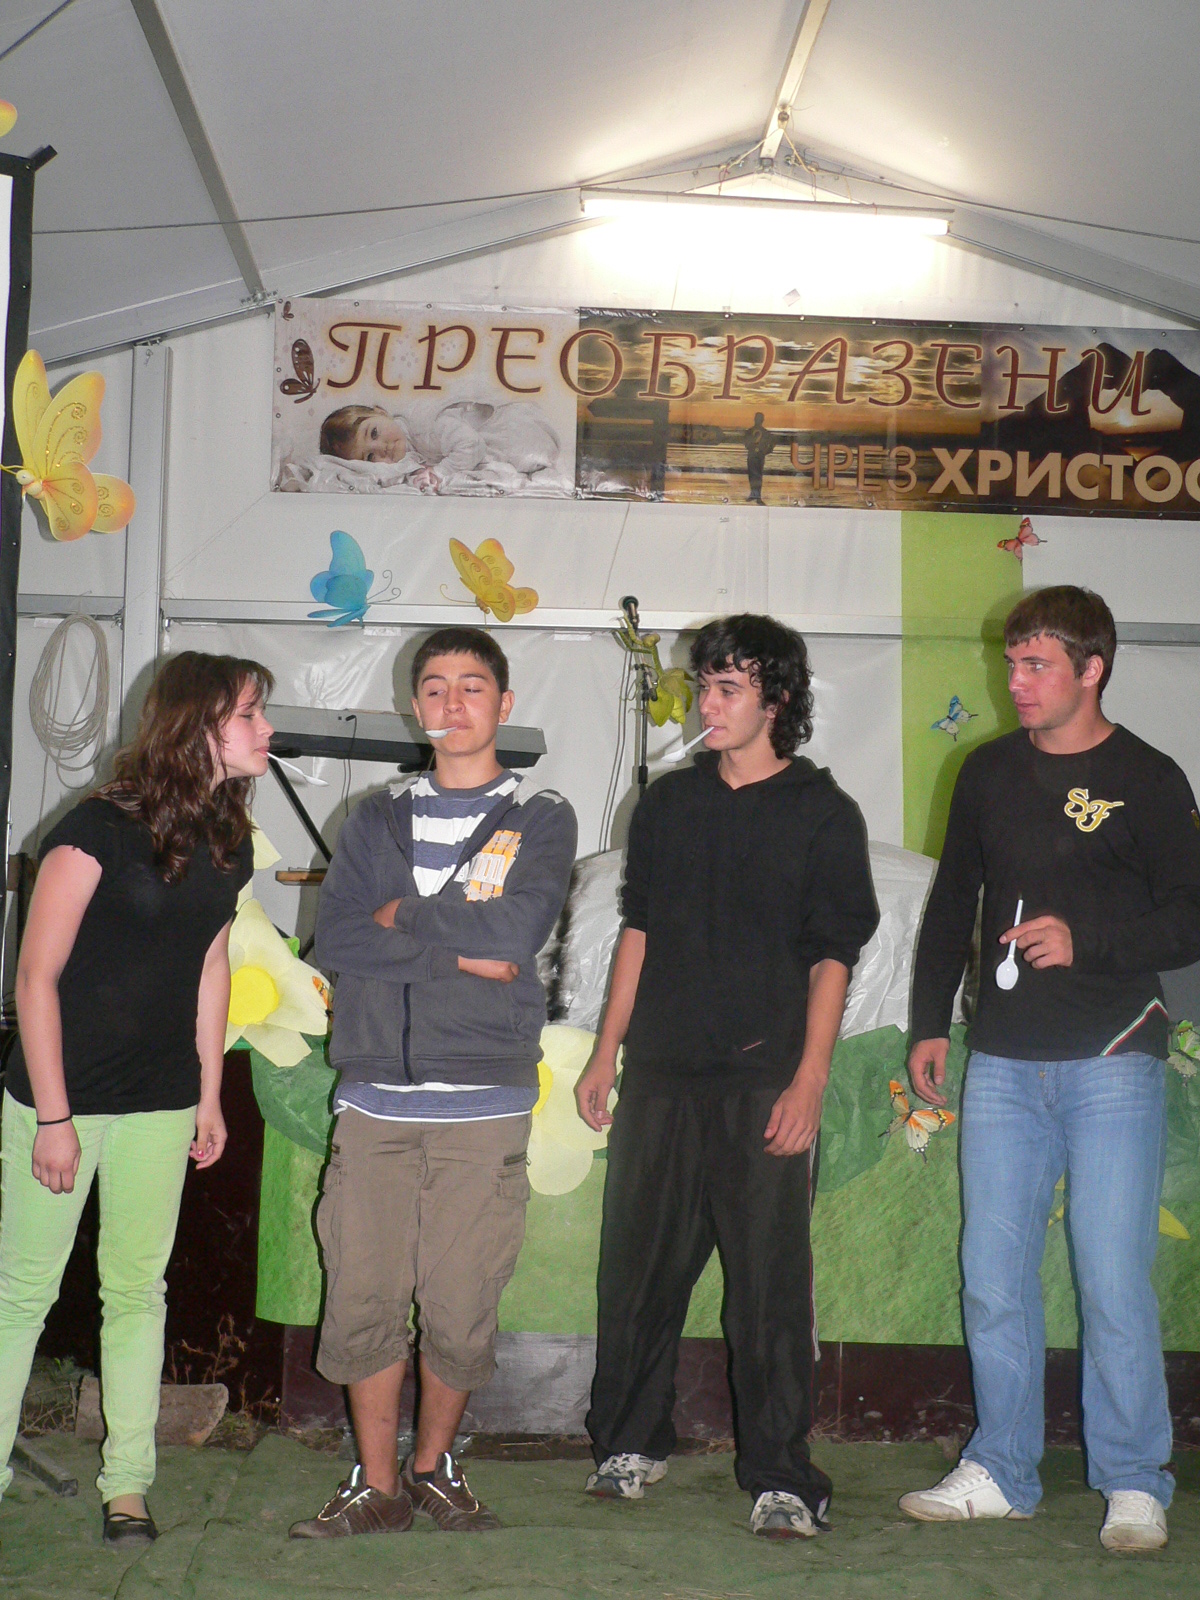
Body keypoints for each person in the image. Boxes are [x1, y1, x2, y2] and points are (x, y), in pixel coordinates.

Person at [901, 585, 1200, 1553]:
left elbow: (1191, 917)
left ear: (1092, 669)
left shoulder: (1150, 777)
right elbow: (951, 903)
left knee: (1112, 1280)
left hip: (1113, 1056)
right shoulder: (985, 770)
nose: (1016, 682)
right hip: (1001, 1061)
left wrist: (1088, 942)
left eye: (1037, 665)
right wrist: (928, 1023)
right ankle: (1002, 1468)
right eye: (1012, 663)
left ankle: (1134, 1480)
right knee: (992, 1277)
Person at [574, 613, 878, 1541]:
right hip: (661, 1075)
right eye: (704, 685)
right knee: (636, 1274)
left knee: (768, 1290)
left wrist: (810, 1080)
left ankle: (781, 1476)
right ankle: (629, 1443)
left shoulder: (824, 812)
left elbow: (833, 957)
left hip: (763, 1083)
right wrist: (605, 1050)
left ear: (776, 700)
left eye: (727, 687)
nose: (706, 703)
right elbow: (637, 930)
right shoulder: (668, 803)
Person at [290, 626, 576, 1540]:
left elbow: (516, 934)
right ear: (415, 706)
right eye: (437, 688)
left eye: (473, 687)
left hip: (484, 1107)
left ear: (504, 704)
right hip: (374, 1101)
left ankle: (433, 1469)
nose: (454, 704)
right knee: (363, 1299)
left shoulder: (541, 816)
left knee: (461, 1305)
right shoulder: (372, 818)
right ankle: (375, 1486)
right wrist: (459, 951)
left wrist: (403, 917)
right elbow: (339, 940)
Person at [0, 652, 273, 1547]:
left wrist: (209, 1095)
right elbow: (35, 978)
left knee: (135, 1292)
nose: (266, 729)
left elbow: (210, 964)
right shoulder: (96, 829)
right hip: (62, 1097)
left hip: (160, 1100)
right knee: (22, 1294)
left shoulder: (228, 838)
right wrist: (53, 1117)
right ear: (197, 725)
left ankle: (128, 1484)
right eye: (249, 714)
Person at [318, 399, 561, 491]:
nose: (381, 447)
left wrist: (439, 472)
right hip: (490, 440)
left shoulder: (423, 425)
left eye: (373, 433)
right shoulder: (405, 448)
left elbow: (471, 445)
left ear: (381, 412)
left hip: (519, 432)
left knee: (498, 463)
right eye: (370, 457)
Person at [741, 412, 782, 505]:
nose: (758, 420)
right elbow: (746, 443)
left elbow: (772, 443)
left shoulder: (765, 433)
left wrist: (765, 451)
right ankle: (753, 494)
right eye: (757, 418)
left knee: (757, 475)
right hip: (752, 455)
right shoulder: (750, 431)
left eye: (759, 419)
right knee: (752, 475)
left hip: (759, 456)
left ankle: (757, 496)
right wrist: (752, 448)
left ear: (762, 420)